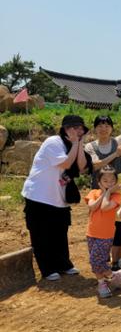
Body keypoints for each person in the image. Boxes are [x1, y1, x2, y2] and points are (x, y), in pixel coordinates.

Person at [22, 114, 92, 281]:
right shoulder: (53, 142)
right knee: (41, 233)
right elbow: (66, 164)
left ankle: (63, 264)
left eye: (81, 128)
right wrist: (76, 143)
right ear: (66, 129)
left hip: (59, 197)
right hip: (40, 195)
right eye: (75, 128)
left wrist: (79, 143)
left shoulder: (74, 145)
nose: (78, 131)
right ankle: (47, 269)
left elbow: (82, 167)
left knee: (60, 232)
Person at [84, 165, 121, 297]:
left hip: (106, 234)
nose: (109, 183)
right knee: (98, 260)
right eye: (105, 181)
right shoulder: (93, 193)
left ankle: (103, 284)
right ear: (99, 182)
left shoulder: (117, 196)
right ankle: (112, 276)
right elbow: (93, 207)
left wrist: (107, 192)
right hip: (91, 232)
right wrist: (104, 193)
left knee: (95, 260)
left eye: (112, 181)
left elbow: (106, 207)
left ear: (116, 182)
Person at [84, 115, 121, 189]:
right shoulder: (90, 146)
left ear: (112, 128)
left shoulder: (118, 141)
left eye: (107, 126)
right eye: (100, 126)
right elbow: (96, 165)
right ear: (95, 129)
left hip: (117, 188)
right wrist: (116, 154)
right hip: (98, 188)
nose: (103, 129)